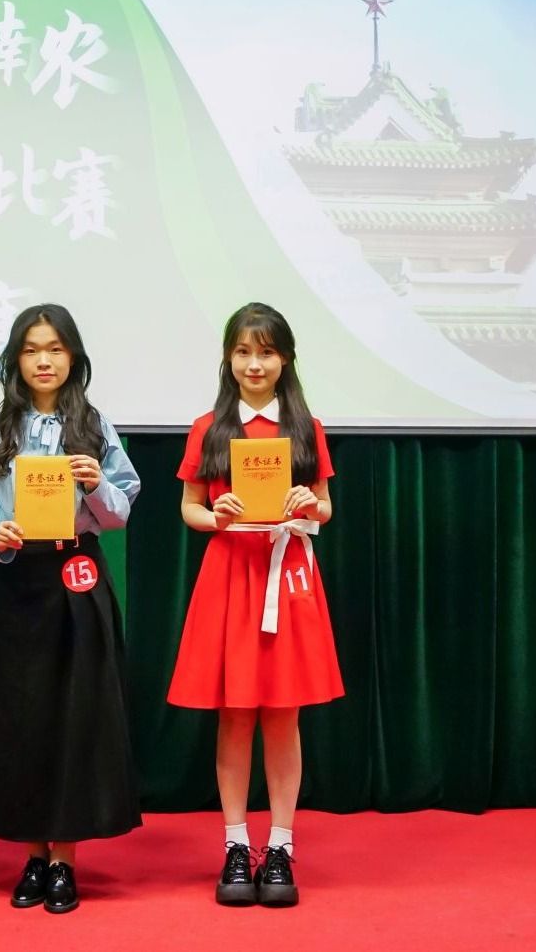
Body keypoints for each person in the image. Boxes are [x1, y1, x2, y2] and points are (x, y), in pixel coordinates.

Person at [0, 304, 143, 914]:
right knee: (23, 719)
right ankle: (33, 855)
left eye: (55, 349)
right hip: (19, 582)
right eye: (32, 349)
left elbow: (121, 510)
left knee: (76, 716)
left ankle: (65, 859)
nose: (44, 360)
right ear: (15, 359)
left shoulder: (95, 426)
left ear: (73, 358)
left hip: (76, 577)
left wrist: (94, 483)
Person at [167, 302, 341, 908]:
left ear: (285, 358)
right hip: (230, 575)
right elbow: (189, 508)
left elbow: (325, 506)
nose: (254, 364)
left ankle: (282, 845)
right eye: (243, 351)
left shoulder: (306, 427)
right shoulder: (209, 427)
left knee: (283, 714)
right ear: (228, 358)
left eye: (266, 352)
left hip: (286, 576)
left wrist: (309, 505)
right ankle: (237, 844)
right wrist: (214, 516)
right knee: (235, 714)